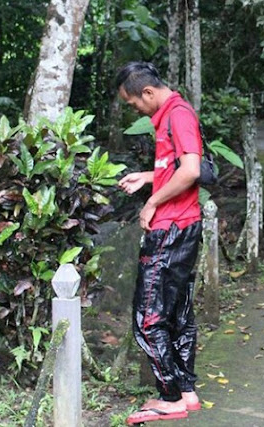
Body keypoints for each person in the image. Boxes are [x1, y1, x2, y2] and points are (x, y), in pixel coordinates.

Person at [116, 61, 202, 424]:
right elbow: (179, 165)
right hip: (184, 227)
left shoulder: (177, 115)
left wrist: (152, 202)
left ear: (148, 93)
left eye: (133, 102)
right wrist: (149, 177)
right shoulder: (171, 113)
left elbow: (193, 170)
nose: (133, 108)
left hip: (170, 230)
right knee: (177, 314)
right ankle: (186, 391)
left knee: (148, 319)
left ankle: (169, 397)